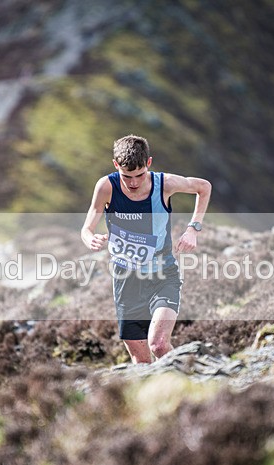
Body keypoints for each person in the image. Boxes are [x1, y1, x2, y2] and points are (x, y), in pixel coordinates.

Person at [81, 134, 212, 364]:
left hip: (163, 275)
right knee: (141, 362)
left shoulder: (165, 183)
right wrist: (90, 238)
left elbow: (204, 187)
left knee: (159, 344)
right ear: (115, 165)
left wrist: (193, 229)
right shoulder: (106, 187)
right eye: (126, 176)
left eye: (139, 175)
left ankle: (192, 379)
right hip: (125, 280)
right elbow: (86, 228)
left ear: (148, 163)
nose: (133, 183)